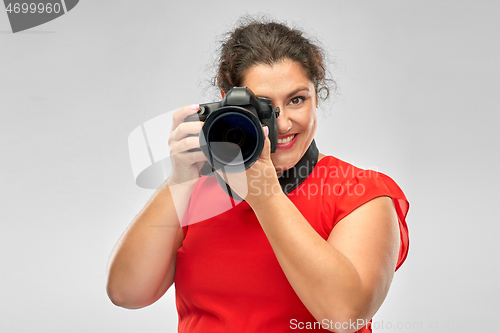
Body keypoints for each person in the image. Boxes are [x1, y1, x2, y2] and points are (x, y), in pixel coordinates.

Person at [106, 17, 409, 333]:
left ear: (317, 96)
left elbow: (345, 315)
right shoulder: (196, 193)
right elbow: (126, 293)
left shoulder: (360, 192)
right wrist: (179, 180)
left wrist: (264, 195)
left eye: (296, 99)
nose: (281, 125)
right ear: (230, 102)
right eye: (263, 107)